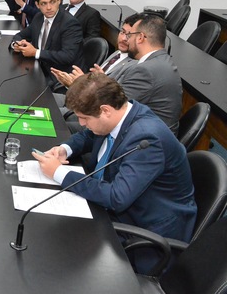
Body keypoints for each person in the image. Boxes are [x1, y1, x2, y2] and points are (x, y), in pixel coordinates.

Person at [33, 73, 196, 273]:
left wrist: (59, 173)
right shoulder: (123, 114)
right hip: (118, 208)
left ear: (105, 110)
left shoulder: (147, 139)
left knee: (60, 254)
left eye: (84, 118)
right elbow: (89, 136)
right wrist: (65, 149)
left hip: (143, 230)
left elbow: (117, 197)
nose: (81, 123)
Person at [116, 12, 182, 134]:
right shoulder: (162, 60)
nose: (127, 39)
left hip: (146, 139)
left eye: (130, 35)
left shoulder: (145, 71)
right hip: (152, 132)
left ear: (140, 37)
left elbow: (113, 107)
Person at [11, 0, 83, 76]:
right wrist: (16, 44)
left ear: (58, 0)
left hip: (60, 74)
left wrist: (35, 52)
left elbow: (68, 56)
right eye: (44, 4)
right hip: (38, 69)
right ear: (37, 5)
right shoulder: (39, 17)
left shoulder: (70, 23)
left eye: (52, 2)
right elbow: (20, 35)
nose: (49, 7)